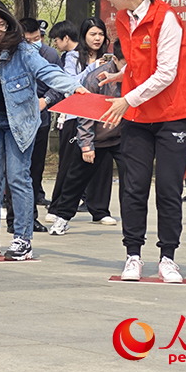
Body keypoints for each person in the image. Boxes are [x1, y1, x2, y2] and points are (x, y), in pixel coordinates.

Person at [0, 0, 85, 261]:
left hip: (19, 122)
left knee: (18, 179)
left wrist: (73, 86)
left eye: (1, 24)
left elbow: (47, 71)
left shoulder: (21, 50)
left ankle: (23, 239)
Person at [98, 0, 186, 283]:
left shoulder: (165, 18)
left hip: (173, 115)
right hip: (139, 117)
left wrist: (127, 98)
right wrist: (120, 75)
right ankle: (133, 255)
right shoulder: (125, 19)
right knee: (133, 187)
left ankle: (168, 257)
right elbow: (141, 64)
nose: (108, 0)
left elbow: (166, 73)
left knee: (169, 189)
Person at [49, 40, 128, 235]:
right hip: (97, 136)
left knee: (133, 181)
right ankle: (63, 217)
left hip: (125, 137)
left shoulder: (140, 76)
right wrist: (86, 144)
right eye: (125, 64)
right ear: (115, 59)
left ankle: (132, 223)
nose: (129, 69)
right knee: (76, 178)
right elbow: (85, 115)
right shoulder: (95, 78)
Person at [3, 17, 63, 234]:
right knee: (15, 171)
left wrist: (45, 101)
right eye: (28, 40)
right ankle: (14, 219)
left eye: (36, 39)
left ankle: (30, 218)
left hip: (40, 120)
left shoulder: (50, 55)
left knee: (34, 172)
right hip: (15, 121)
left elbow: (58, 83)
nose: (33, 44)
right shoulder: (10, 54)